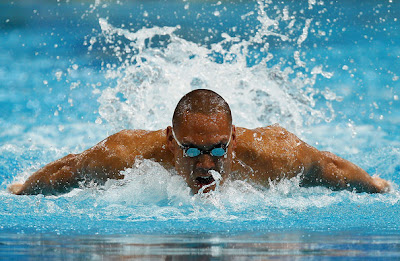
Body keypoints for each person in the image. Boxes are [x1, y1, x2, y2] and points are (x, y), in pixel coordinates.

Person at [8, 89, 390, 195]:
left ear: (234, 137)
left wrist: (375, 186)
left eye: (217, 149)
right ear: (171, 139)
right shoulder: (127, 154)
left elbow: (328, 167)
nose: (205, 163)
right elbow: (71, 168)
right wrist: (23, 190)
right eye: (191, 149)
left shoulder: (272, 155)